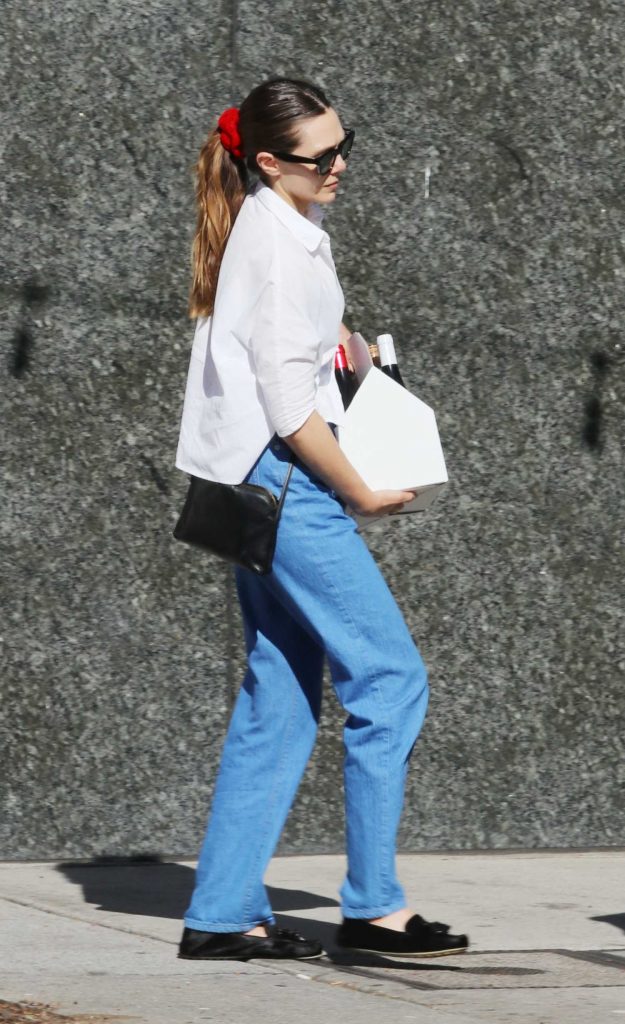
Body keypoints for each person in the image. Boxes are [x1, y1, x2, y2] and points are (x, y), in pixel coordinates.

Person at [175, 77, 469, 962]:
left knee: (281, 701)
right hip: (289, 486)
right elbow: (288, 411)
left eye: (346, 145)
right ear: (269, 162)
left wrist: (342, 339)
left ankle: (221, 913)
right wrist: (360, 492)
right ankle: (372, 905)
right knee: (389, 680)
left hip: (259, 485)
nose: (339, 165)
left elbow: (290, 358)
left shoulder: (288, 229)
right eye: (321, 156)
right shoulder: (269, 246)